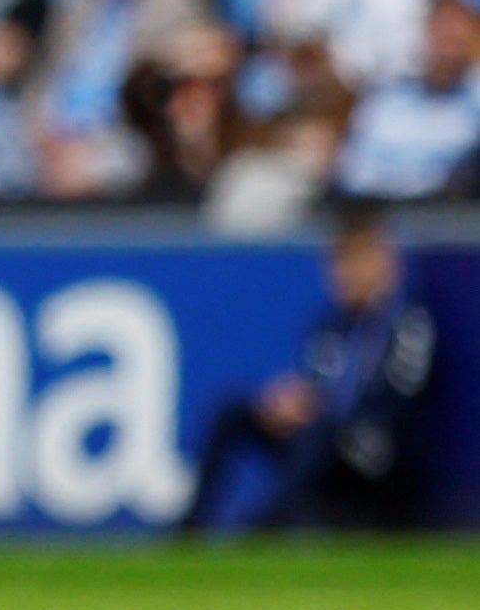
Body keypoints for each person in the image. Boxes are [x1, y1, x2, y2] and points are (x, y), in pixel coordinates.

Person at [177, 210, 439, 534]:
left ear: (384, 265)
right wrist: (292, 404)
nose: (348, 275)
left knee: (320, 432)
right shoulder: (332, 326)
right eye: (341, 264)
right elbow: (319, 383)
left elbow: (397, 404)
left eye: (358, 262)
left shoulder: (408, 326)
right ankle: (187, 532)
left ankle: (265, 529)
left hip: (377, 455)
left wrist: (324, 413)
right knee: (233, 410)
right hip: (325, 441)